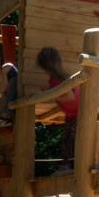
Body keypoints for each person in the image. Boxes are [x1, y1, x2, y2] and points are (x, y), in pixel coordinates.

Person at [37, 47, 80, 175]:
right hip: (72, 114)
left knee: (71, 140)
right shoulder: (59, 77)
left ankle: (72, 164)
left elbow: (70, 96)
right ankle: (67, 164)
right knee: (67, 140)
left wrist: (52, 96)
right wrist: (48, 92)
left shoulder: (58, 78)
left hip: (77, 114)